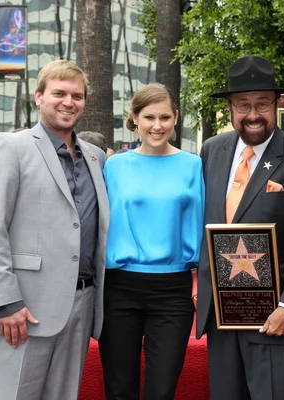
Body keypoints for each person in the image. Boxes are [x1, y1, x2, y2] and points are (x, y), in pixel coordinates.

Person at [196, 55, 284, 400]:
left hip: (275, 318)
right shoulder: (211, 151)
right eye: (243, 104)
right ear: (229, 107)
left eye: (262, 104)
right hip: (222, 317)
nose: (253, 114)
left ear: (277, 104)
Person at [0, 59, 108, 400]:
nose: (69, 102)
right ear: (39, 97)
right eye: (59, 93)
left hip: (82, 303)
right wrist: (6, 302)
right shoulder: (10, 147)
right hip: (25, 307)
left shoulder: (96, 157)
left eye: (77, 96)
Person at [98, 83, 204, 400]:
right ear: (134, 119)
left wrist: (199, 278)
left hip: (173, 290)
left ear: (175, 118)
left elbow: (199, 221)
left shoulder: (193, 164)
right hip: (119, 287)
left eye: (164, 117)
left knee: (161, 390)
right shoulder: (114, 166)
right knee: (119, 390)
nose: (157, 126)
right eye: (148, 117)